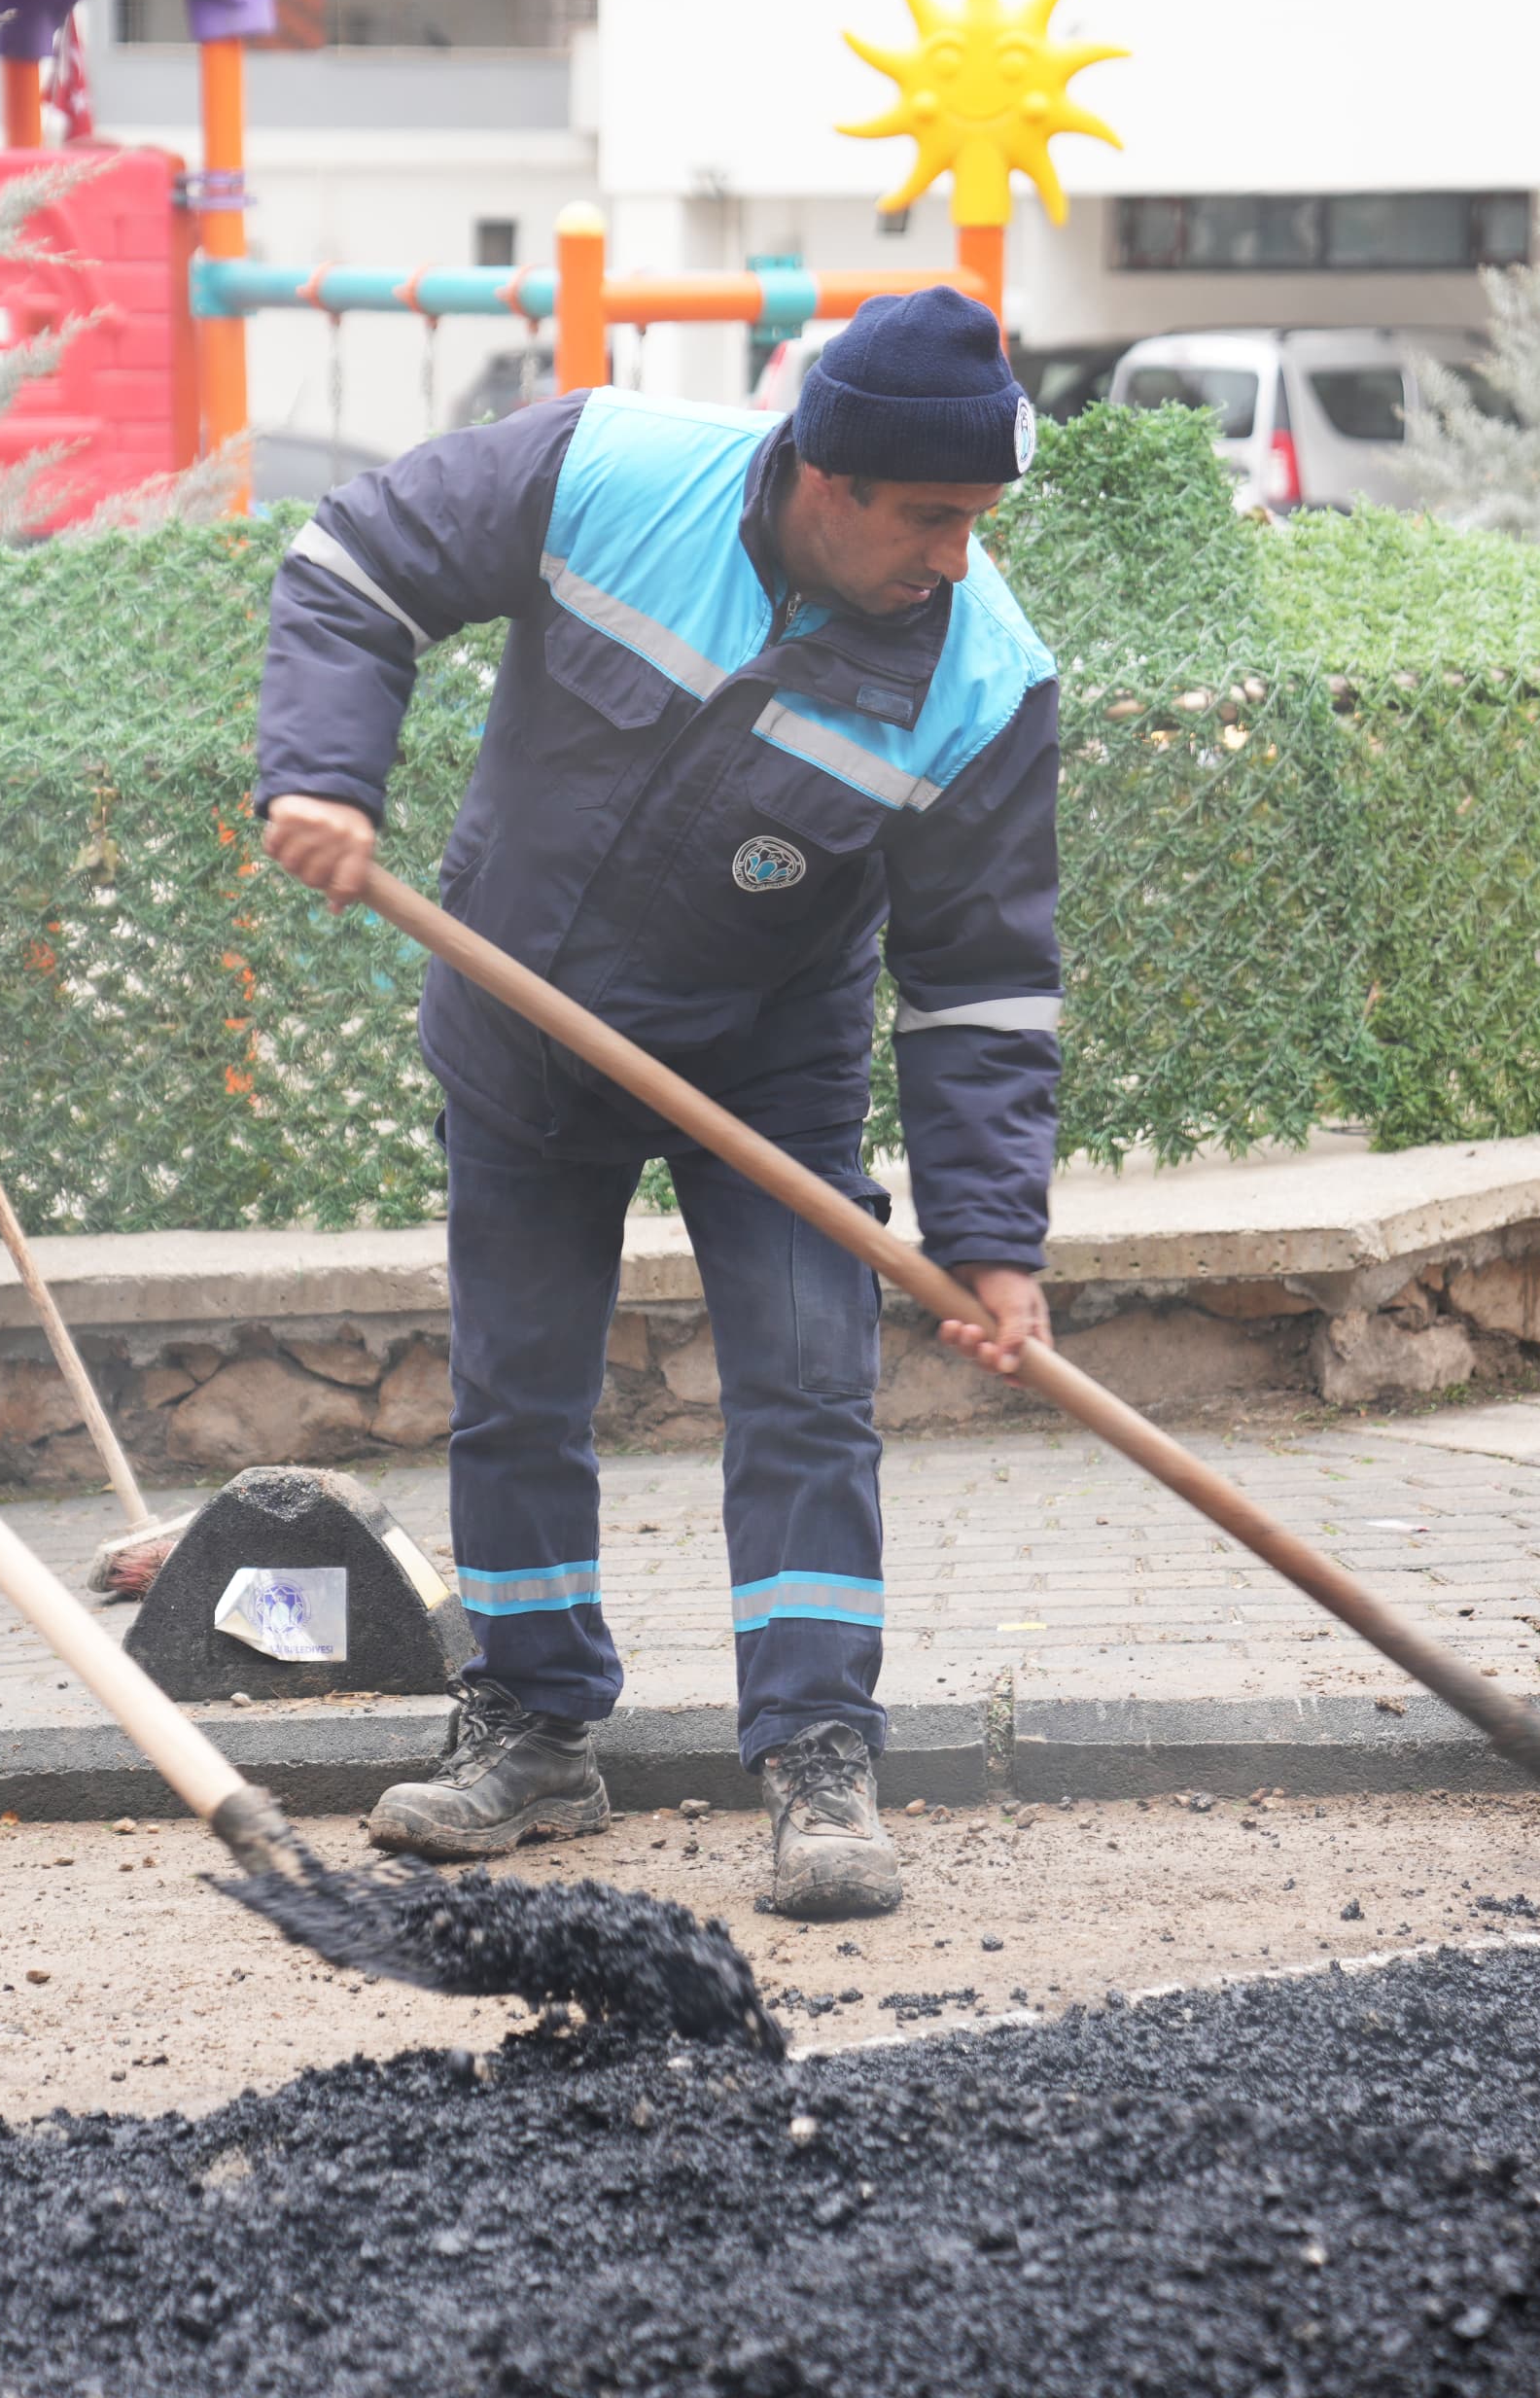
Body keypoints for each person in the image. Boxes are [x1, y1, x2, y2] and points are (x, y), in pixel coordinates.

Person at [251, 286, 1067, 1921]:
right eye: (932, 519)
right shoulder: (607, 471)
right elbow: (357, 568)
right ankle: (534, 1733)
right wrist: (327, 774)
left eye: (981, 522)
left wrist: (993, 1233)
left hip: (768, 1058)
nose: (957, 560)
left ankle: (821, 1753)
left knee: (807, 1386)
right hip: (518, 1007)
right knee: (518, 1391)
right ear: (825, 477)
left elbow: (980, 979)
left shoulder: (983, 680)